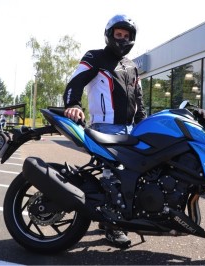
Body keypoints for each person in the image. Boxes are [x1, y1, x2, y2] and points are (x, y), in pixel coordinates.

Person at [63, 14, 146, 248]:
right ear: (110, 35)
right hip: (104, 127)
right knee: (115, 176)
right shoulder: (95, 57)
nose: (122, 39)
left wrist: (144, 124)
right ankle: (113, 226)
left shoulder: (132, 66)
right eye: (118, 34)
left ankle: (112, 216)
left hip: (130, 129)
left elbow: (139, 99)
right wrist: (73, 105)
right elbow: (75, 82)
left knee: (134, 176)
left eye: (126, 35)